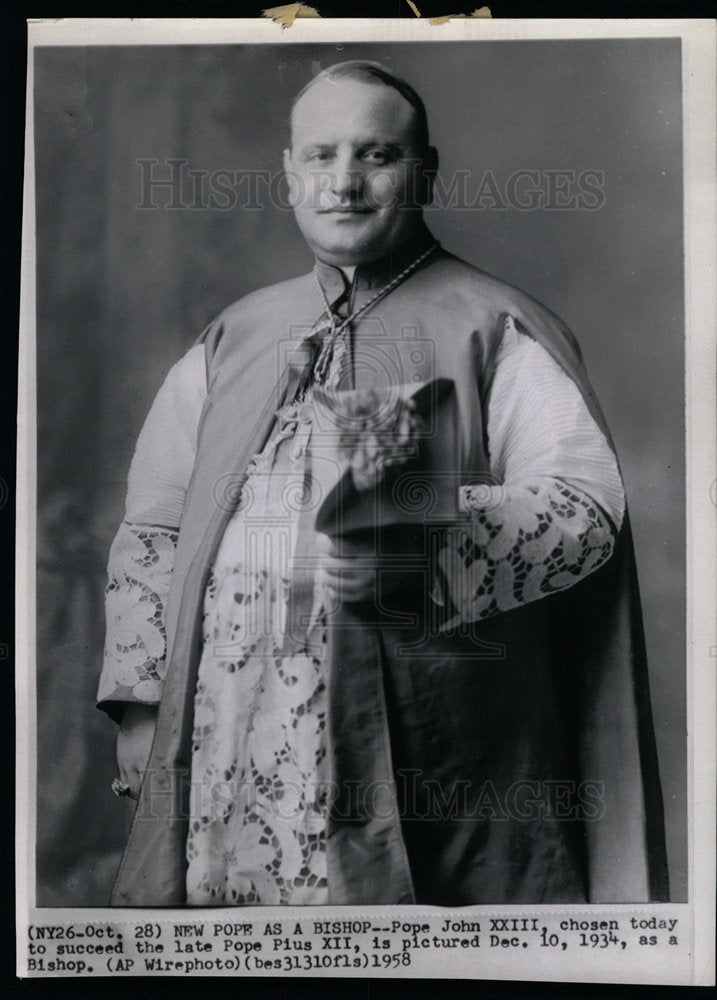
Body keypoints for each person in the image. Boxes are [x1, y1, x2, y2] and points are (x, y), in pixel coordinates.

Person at [98, 61, 669, 906]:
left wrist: (421, 559)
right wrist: (143, 708)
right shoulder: (237, 335)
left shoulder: (488, 323)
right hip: (224, 746)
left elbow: (583, 512)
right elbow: (154, 526)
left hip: (434, 749)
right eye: (321, 156)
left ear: (424, 172)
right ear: (288, 173)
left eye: (376, 156)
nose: (344, 182)